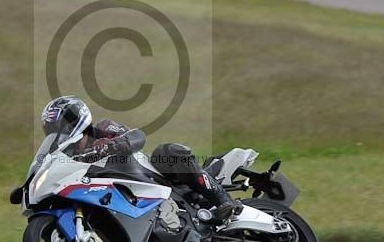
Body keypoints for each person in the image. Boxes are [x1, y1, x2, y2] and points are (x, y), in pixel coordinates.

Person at [41, 95, 242, 222]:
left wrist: (112, 145)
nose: (60, 132)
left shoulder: (102, 129)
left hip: (152, 177)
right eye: (54, 130)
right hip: (119, 198)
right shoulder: (69, 158)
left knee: (166, 152)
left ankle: (223, 200)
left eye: (63, 125)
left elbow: (137, 136)